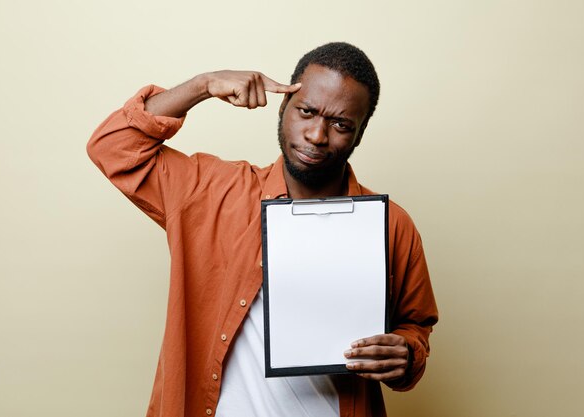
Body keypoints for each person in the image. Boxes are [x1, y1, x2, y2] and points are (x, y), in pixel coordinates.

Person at [88, 42, 438, 417]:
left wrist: (405, 354)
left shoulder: (390, 225)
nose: (317, 135)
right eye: (306, 111)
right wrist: (203, 85)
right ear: (284, 106)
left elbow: (414, 327)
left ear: (360, 133)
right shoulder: (211, 191)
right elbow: (113, 146)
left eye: (340, 124)